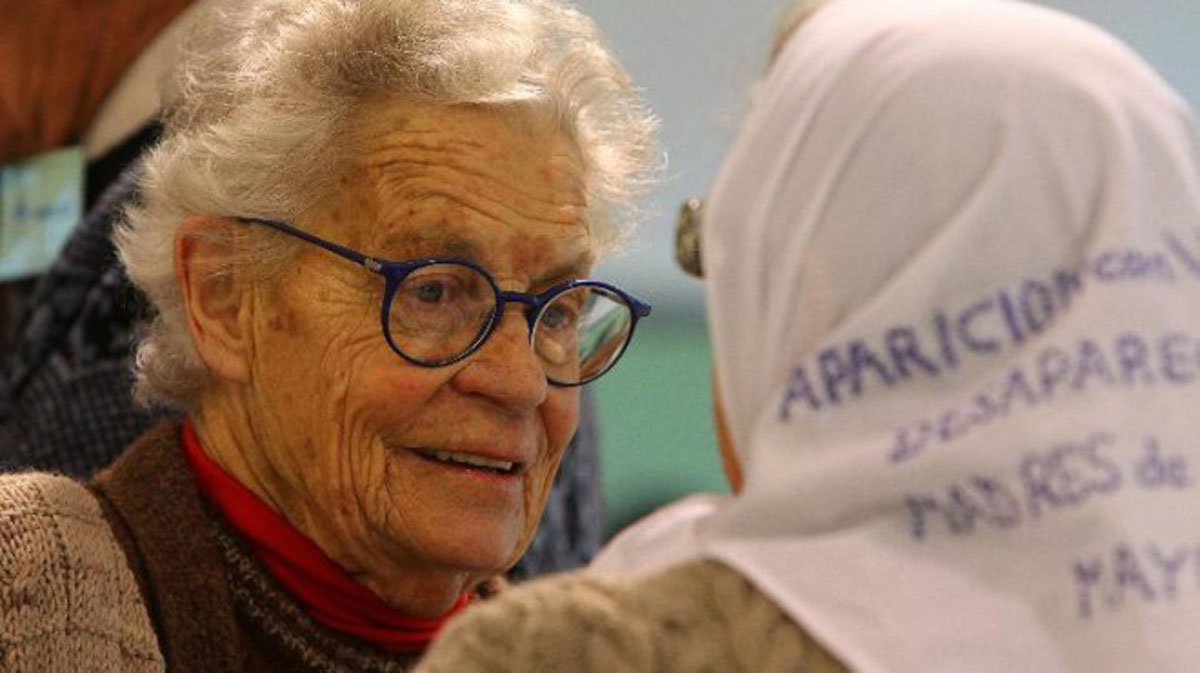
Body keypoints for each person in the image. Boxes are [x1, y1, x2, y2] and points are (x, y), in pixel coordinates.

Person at [413, 0, 1200, 671]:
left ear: (807, 298)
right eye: (436, 292)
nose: (519, 377)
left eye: (720, 249)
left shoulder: (582, 652)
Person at [0, 0, 656, 670]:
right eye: (432, 290)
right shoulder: (30, 598)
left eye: (557, 311)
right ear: (222, 295)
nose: (520, 381)